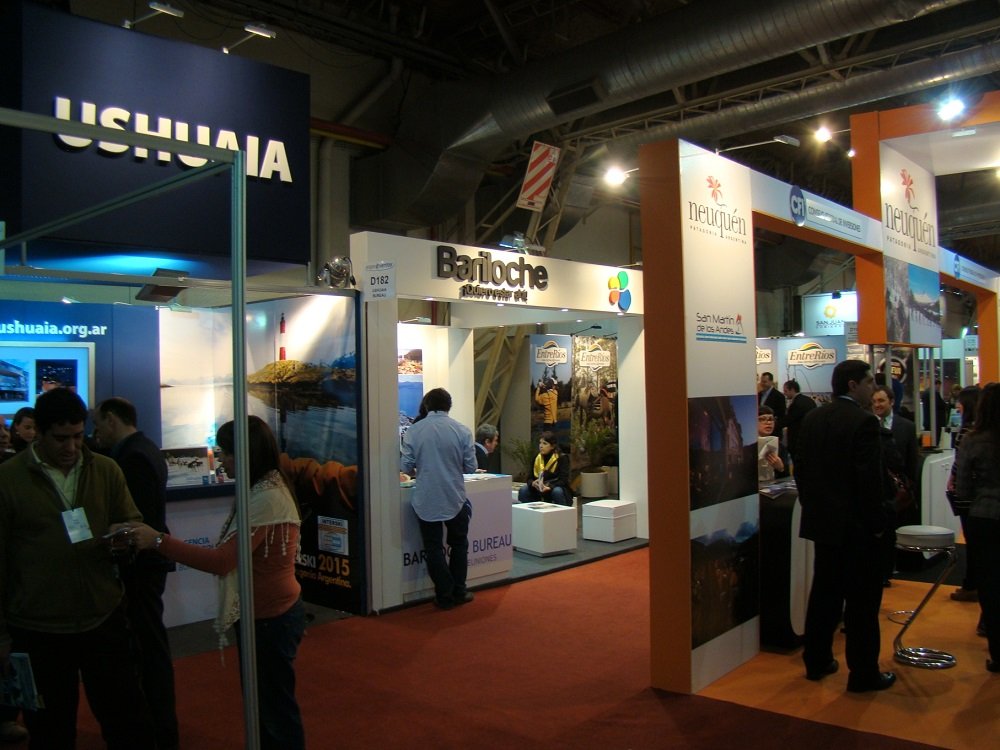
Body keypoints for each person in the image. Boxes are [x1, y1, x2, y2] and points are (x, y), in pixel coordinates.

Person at [126, 416, 305, 749]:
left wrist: (158, 541)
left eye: (226, 453)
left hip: (271, 617)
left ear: (245, 454)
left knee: (274, 710)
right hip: (264, 614)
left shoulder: (266, 497)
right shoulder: (261, 489)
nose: (221, 460)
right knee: (266, 705)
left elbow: (222, 561)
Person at [0, 388, 155, 747]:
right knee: (50, 730)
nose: (71, 447)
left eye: (77, 436)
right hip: (38, 627)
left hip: (102, 617)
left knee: (128, 722)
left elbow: (131, 519)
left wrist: (125, 535)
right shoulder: (8, 479)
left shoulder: (106, 469)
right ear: (38, 433)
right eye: (60, 438)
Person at [795, 360, 895, 693]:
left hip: (823, 524)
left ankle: (816, 660)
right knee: (862, 603)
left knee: (824, 594)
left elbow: (801, 470)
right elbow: (869, 482)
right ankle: (863, 673)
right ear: (853, 385)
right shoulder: (863, 422)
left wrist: (814, 507)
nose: (873, 388)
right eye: (869, 382)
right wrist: (878, 525)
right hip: (857, 529)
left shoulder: (813, 418)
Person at [93, 397, 179, 750]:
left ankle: (159, 730)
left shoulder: (134, 458)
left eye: (98, 424)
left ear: (112, 419)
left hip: (142, 567)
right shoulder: (144, 449)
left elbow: (140, 520)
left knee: (148, 649)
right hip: (147, 565)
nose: (95, 433)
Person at [400, 387, 478, 610]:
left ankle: (444, 595)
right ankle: (459, 591)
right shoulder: (462, 430)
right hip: (455, 496)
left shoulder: (414, 431)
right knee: (459, 544)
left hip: (426, 497)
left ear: (426, 405)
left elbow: (405, 466)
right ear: (449, 406)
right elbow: (471, 467)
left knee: (433, 547)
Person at [954, 382, 1000, 673]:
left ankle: (997, 652)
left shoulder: (972, 440)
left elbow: (962, 487)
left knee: (990, 584)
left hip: (983, 518)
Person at [871, 385, 918, 586]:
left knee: (894, 532)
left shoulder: (906, 427)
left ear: (891, 401)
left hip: (897, 490)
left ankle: (892, 568)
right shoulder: (867, 425)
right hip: (876, 488)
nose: (877, 405)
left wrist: (909, 487)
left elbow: (912, 461)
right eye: (874, 401)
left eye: (881, 401)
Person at [946, 385, 982, 604]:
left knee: (973, 542)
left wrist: (954, 481)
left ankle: (971, 585)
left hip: (968, 496)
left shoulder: (967, 435)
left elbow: (960, 464)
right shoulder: (983, 432)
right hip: (978, 497)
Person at [517, 431, 572, 506]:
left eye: (544, 443)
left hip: (554, 487)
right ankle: (526, 512)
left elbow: (563, 480)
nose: (541, 446)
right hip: (538, 488)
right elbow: (529, 478)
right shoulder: (536, 457)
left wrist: (549, 487)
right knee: (524, 490)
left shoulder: (561, 458)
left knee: (557, 491)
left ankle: (563, 512)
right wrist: (533, 483)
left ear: (552, 446)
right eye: (540, 443)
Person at [781, 379, 815, 463]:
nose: (784, 393)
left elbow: (789, 420)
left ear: (792, 390)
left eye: (785, 391)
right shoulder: (809, 400)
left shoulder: (796, 404)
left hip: (797, 440)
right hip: (810, 439)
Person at [756, 405, 788, 484]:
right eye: (762, 419)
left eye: (771, 419)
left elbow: (786, 476)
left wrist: (781, 468)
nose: (768, 422)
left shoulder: (780, 446)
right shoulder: (747, 447)